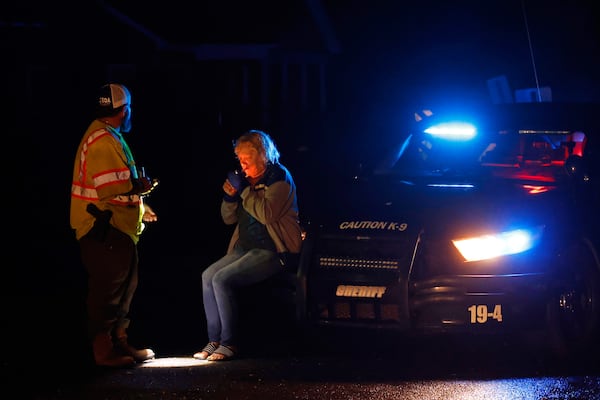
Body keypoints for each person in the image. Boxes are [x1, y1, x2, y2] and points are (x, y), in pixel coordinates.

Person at [193, 129, 303, 361]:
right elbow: (228, 219)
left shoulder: (279, 177)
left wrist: (243, 190)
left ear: (262, 155)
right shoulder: (248, 180)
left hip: (274, 249)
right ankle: (214, 340)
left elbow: (267, 214)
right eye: (240, 161)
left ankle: (229, 343)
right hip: (245, 246)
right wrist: (230, 198)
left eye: (247, 161)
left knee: (222, 279)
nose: (242, 167)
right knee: (207, 276)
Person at [70, 83, 159, 368]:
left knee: (123, 289)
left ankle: (119, 342)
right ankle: (103, 351)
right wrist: (141, 187)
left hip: (116, 228)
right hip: (103, 230)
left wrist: (140, 205)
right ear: (124, 111)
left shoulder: (107, 135)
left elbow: (112, 187)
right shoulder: (103, 140)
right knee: (108, 291)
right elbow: (111, 187)